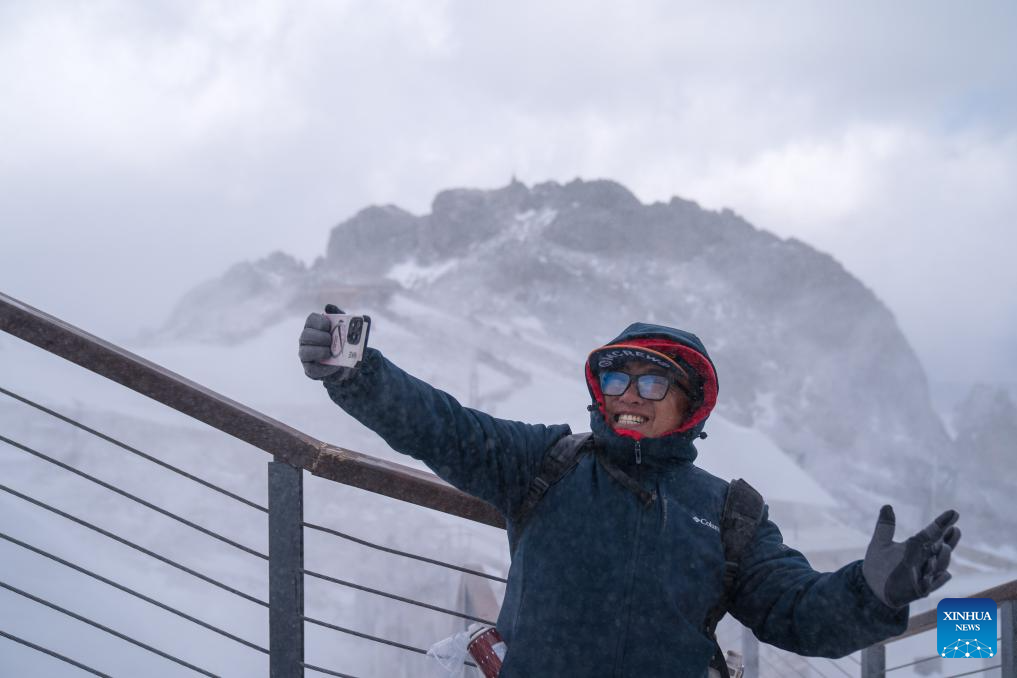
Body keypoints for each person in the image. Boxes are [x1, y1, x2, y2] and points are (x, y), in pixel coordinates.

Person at [299, 310, 962, 678]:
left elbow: (795, 613)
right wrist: (357, 373)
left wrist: (870, 594)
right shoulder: (547, 462)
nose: (627, 397)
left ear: (689, 405)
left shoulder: (729, 513)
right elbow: (443, 428)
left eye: (651, 385)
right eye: (617, 377)